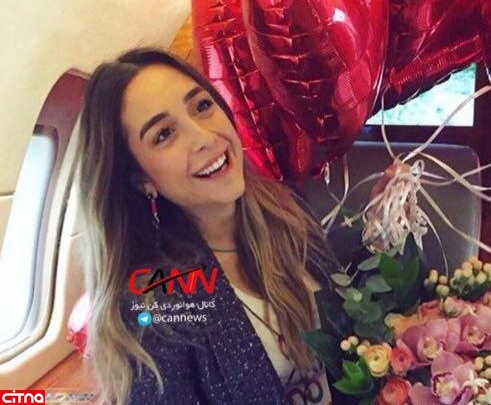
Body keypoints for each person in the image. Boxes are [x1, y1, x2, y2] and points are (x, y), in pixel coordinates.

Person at [76, 47, 339, 404]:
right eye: (164, 134)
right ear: (141, 180)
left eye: (201, 106)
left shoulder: (288, 212)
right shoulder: (152, 306)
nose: (204, 137)